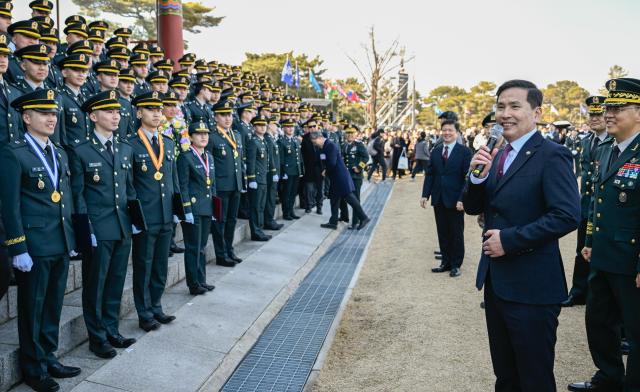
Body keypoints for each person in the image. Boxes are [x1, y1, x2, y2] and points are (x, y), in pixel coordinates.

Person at [463, 79, 580, 392]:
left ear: (536, 112)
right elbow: (474, 208)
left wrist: (510, 239)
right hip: (497, 283)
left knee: (534, 378)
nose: (505, 114)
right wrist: (476, 178)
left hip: (533, 287)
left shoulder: (552, 155)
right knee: (506, 376)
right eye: (500, 106)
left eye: (515, 106)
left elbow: (567, 215)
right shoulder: (497, 153)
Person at [0, 89, 81, 392]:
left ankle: (49, 356)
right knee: (32, 307)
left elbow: (65, 199)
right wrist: (18, 247)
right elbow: (10, 205)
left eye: (54, 114)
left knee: (52, 305)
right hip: (33, 245)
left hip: (59, 240)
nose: (51, 118)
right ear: (26, 117)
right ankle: (33, 367)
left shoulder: (57, 151)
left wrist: (70, 236)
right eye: (44, 113)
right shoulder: (14, 152)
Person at [568, 78, 640, 392]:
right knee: (598, 321)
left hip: (631, 260)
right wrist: (588, 242)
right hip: (603, 255)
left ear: (638, 112)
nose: (608, 114)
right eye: (607, 108)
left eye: (617, 108)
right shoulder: (606, 148)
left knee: (636, 330)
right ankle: (608, 377)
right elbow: (597, 201)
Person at [69, 90, 138, 359]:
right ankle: (97, 337)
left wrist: (135, 220)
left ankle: (111, 329)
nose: (115, 116)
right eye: (109, 112)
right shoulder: (81, 150)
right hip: (98, 228)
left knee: (116, 282)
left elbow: (128, 189)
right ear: (93, 116)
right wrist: (88, 231)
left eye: (118, 112)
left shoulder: (124, 148)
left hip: (122, 225)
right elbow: (78, 194)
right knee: (95, 284)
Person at [129, 91, 179, 332]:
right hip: (145, 216)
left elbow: (173, 180)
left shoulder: (167, 142)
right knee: (143, 265)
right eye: (151, 109)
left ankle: (156, 306)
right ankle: (144, 311)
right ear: (139, 113)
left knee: (160, 264)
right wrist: (133, 216)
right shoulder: (130, 144)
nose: (157, 113)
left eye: (159, 109)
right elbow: (128, 184)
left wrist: (179, 209)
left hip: (165, 214)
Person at [562, 96, 612, 308]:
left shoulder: (613, 141)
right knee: (581, 248)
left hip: (604, 207)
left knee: (602, 252)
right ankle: (578, 291)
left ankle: (598, 295)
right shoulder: (586, 141)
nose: (594, 119)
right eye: (591, 115)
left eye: (599, 114)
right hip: (586, 205)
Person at [420, 120, 471, 277]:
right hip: (439, 198)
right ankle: (445, 262)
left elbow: (467, 178)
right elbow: (430, 174)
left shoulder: (465, 152)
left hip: (456, 199)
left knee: (456, 232)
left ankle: (456, 265)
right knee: (442, 232)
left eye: (450, 130)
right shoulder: (436, 151)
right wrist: (425, 195)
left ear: (457, 133)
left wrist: (463, 198)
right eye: (444, 130)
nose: (447, 133)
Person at [177, 120, 216, 296]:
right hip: (193, 208)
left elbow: (211, 184)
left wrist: (215, 207)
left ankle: (202, 280)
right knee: (193, 247)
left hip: (207, 207)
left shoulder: (209, 156)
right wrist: (186, 210)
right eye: (199, 134)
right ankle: (193, 283)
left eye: (206, 133)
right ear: (191, 137)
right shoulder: (186, 156)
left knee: (202, 247)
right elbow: (182, 186)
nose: (203, 137)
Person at [208, 99, 244, 266]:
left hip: (235, 185)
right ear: (215, 117)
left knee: (232, 221)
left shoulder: (236, 135)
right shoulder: (212, 137)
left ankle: (230, 250)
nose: (227, 118)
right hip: (221, 187)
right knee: (220, 223)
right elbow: (208, 164)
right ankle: (221, 255)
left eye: (229, 115)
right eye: (223, 115)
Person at [309, 131, 370, 230]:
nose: (314, 144)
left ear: (319, 138)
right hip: (335, 177)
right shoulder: (323, 147)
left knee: (350, 197)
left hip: (340, 177)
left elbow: (332, 163)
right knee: (334, 199)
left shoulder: (330, 146)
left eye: (314, 142)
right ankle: (333, 222)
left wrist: (326, 171)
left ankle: (363, 217)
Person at [246, 115, 272, 241]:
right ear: (254, 127)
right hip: (256, 179)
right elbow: (251, 162)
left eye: (264, 125)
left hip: (263, 178)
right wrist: (251, 179)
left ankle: (259, 230)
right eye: (260, 125)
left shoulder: (263, 141)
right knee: (255, 207)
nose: (262, 127)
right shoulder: (253, 142)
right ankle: (255, 231)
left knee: (261, 206)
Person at [341, 124, 369, 229]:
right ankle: (346, 217)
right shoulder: (344, 145)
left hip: (356, 176)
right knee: (348, 198)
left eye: (352, 133)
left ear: (355, 134)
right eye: (348, 133)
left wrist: (359, 167)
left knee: (356, 199)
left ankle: (356, 222)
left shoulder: (359, 145)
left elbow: (366, 157)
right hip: (346, 176)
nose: (350, 135)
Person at [278, 118, 302, 220]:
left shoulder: (295, 140)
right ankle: (286, 212)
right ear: (283, 128)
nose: (290, 128)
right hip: (287, 171)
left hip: (296, 170)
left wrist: (301, 169)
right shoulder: (281, 141)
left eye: (292, 126)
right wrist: (283, 172)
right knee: (286, 193)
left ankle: (291, 211)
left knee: (293, 193)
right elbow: (281, 159)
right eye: (288, 127)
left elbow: (299, 157)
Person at [301, 116, 324, 214]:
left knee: (319, 189)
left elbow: (326, 153)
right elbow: (302, 155)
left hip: (320, 168)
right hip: (309, 167)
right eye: (310, 127)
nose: (312, 129)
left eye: (314, 126)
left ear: (317, 126)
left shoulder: (323, 136)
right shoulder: (305, 139)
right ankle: (309, 206)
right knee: (309, 189)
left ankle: (319, 207)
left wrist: (325, 167)